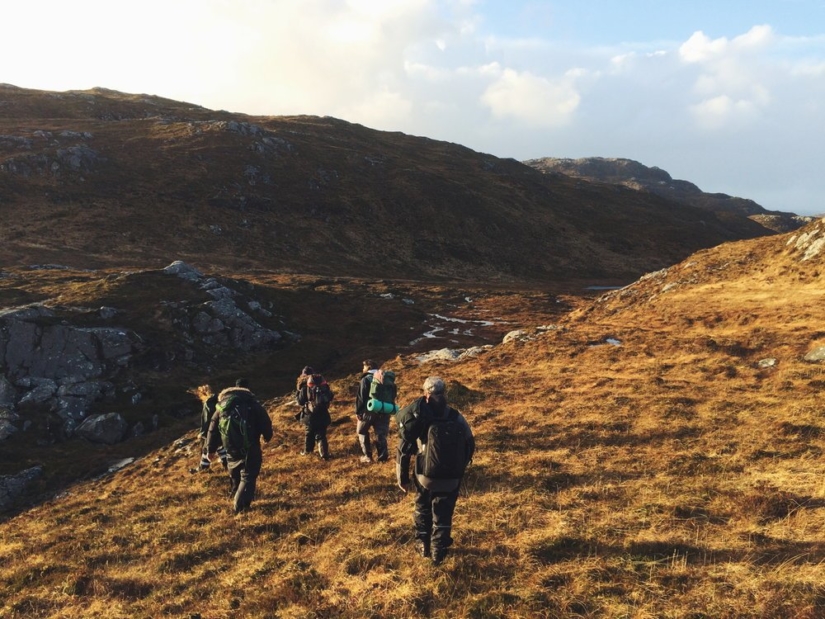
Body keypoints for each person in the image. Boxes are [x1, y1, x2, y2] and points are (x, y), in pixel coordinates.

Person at [396, 376, 475, 565]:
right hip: (451, 477)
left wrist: (402, 478)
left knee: (423, 507)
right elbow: (470, 444)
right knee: (444, 511)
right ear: (445, 392)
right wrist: (459, 468)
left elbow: (403, 450)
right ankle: (438, 551)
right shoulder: (455, 416)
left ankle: (422, 545)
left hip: (424, 475)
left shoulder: (418, 418)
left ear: (425, 393)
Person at [205, 378, 273, 513]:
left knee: (235, 474)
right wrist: (267, 436)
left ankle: (235, 495)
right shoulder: (252, 403)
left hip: (230, 448)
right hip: (250, 446)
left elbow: (212, 429)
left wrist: (210, 449)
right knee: (248, 475)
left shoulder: (221, 407)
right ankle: (240, 507)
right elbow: (265, 421)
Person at [354, 359, 392, 463]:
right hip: (384, 409)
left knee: (361, 431)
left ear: (369, 368)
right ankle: (382, 458)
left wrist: (358, 412)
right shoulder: (385, 377)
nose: (362, 369)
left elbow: (361, 398)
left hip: (369, 411)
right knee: (380, 434)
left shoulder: (366, 379)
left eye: (364, 367)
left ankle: (367, 456)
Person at [295, 366, 333, 460]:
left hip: (310, 415)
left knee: (309, 433)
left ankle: (308, 452)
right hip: (323, 413)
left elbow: (300, 401)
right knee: (321, 434)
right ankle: (324, 454)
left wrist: (298, 392)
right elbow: (330, 396)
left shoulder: (304, 386)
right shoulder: (322, 384)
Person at [196, 384, 227, 471]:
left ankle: (203, 468)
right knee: (220, 446)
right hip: (222, 429)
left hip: (211, 429)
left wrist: (203, 433)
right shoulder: (220, 401)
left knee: (207, 448)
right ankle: (226, 464)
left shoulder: (208, 403)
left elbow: (206, 420)